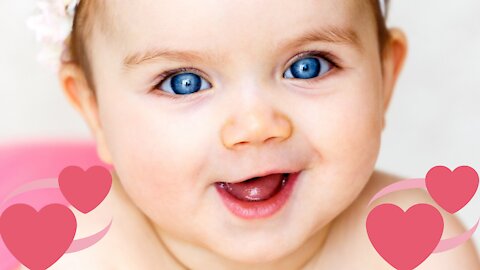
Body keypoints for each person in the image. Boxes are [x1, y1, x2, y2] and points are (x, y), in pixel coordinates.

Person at [24, 0, 480, 269]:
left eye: (308, 66)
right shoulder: (87, 254)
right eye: (185, 82)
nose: (256, 127)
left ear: (385, 77)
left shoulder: (417, 250)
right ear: (94, 110)